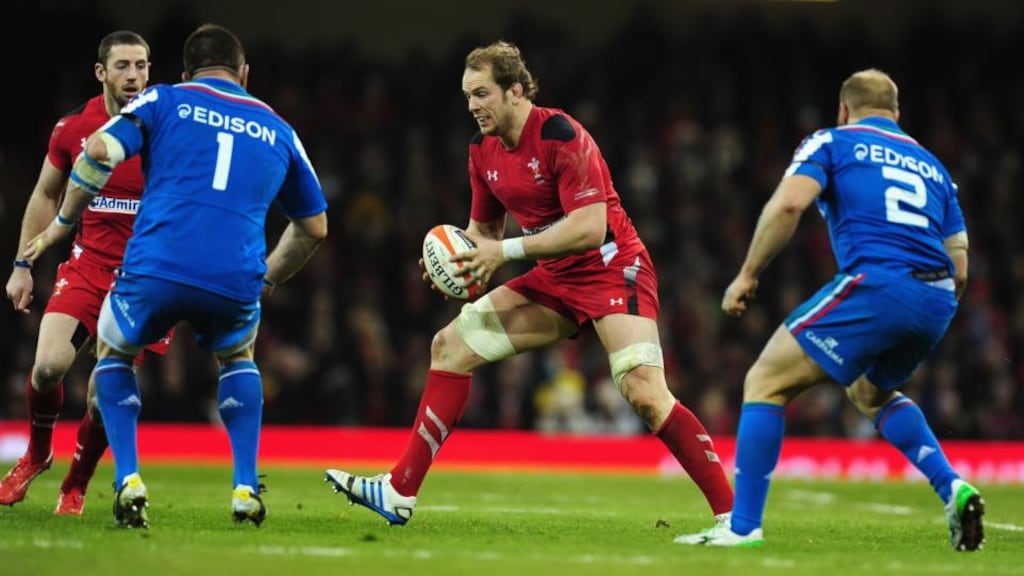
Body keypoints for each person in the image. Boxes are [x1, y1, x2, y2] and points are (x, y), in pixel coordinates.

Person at [325, 40, 733, 531]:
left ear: (515, 90)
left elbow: (589, 228)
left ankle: (733, 517)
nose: (472, 106)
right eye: (467, 96)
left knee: (644, 392)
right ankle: (399, 491)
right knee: (450, 347)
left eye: (481, 93)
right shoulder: (481, 151)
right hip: (555, 277)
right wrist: (457, 264)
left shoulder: (562, 135)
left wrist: (503, 252)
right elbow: (484, 235)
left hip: (612, 266)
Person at [23, 23, 328, 528]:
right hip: (233, 275)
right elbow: (315, 227)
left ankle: (128, 478)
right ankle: (245, 486)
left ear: (185, 74)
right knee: (238, 358)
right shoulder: (279, 128)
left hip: (155, 267)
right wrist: (266, 280)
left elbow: (98, 152)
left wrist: (60, 224)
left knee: (114, 355)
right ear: (244, 74)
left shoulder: (164, 99)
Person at [675, 69, 984, 550]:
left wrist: (748, 273)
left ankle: (743, 527)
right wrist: (924, 312)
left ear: (844, 109)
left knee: (765, 381)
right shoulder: (934, 168)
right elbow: (960, 267)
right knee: (871, 393)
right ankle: (952, 487)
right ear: (896, 113)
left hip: (879, 284)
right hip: (937, 299)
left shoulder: (833, 142)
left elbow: (788, 206)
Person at [0, 30, 173, 517]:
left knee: (101, 398)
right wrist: (22, 265)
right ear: (101, 72)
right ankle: (37, 455)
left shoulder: (166, 128)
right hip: (88, 266)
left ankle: (76, 483)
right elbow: (44, 195)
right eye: (123, 66)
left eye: (141, 65)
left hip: (142, 280)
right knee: (47, 367)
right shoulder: (74, 128)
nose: (134, 75)